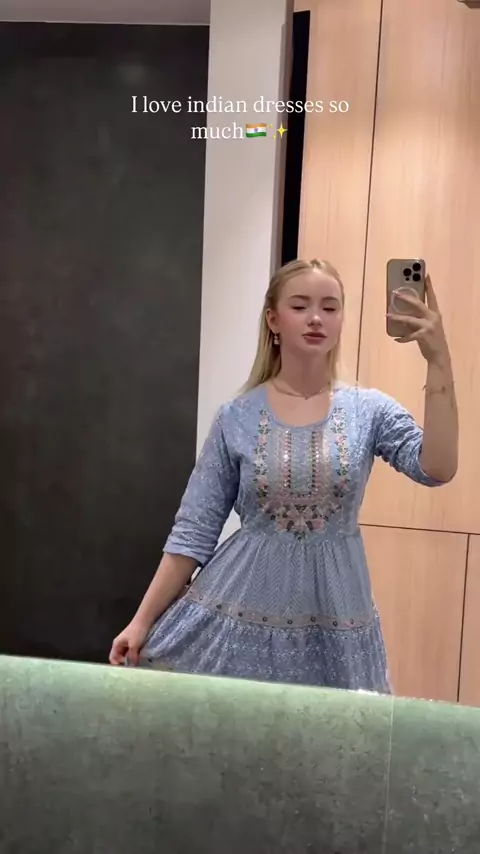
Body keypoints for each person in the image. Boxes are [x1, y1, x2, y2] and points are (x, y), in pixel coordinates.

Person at [109, 258, 458, 692]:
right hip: (239, 616)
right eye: (300, 306)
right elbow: (193, 532)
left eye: (330, 307)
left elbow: (437, 467)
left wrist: (438, 360)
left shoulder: (368, 411)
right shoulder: (236, 416)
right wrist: (141, 622)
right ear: (273, 319)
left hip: (337, 616)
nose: (316, 318)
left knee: (334, 731)